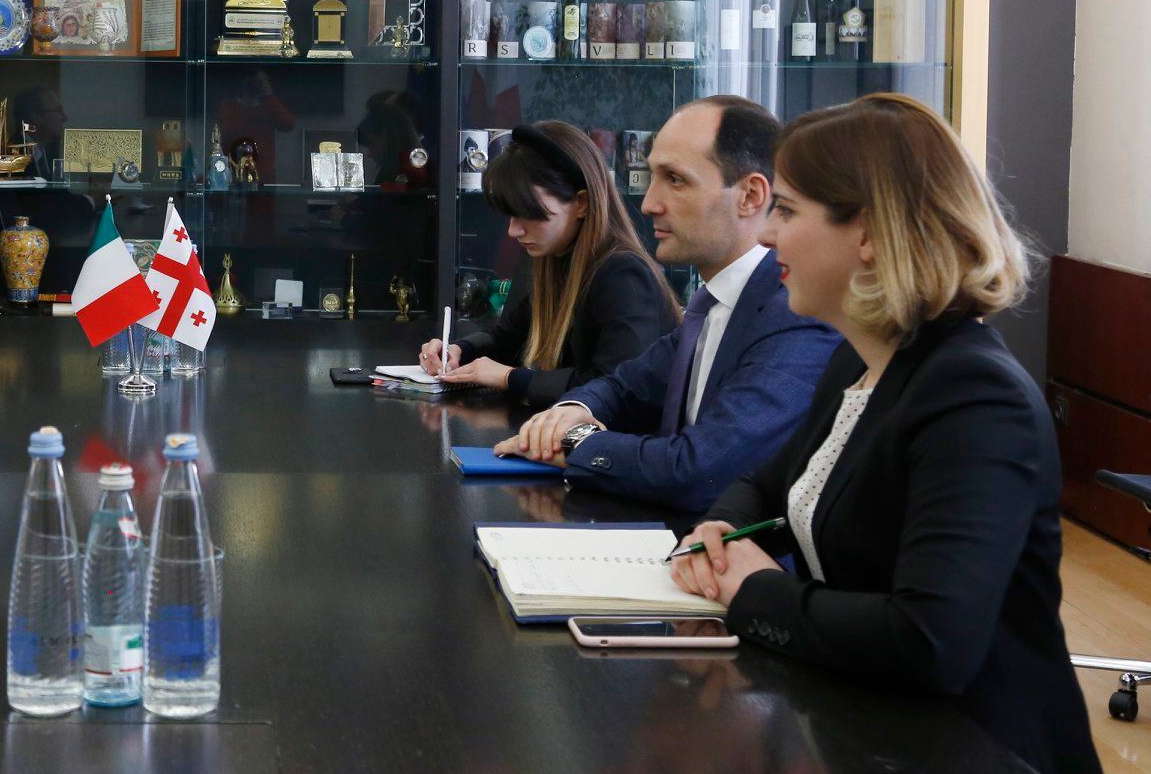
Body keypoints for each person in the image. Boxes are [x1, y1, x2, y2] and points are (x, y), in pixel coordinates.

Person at [669, 93, 1099, 774]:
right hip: (868, 727)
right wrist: (719, 530)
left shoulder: (974, 397)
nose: (767, 235)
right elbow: (770, 484)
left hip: (976, 749)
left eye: (787, 211)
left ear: (868, 233)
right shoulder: (858, 359)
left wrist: (755, 593)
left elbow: (931, 641)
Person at [497, 97, 842, 512]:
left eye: (675, 180)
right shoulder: (714, 305)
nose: (648, 203)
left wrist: (575, 441)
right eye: (652, 177)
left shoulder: (793, 312)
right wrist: (574, 408)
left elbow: (697, 470)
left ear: (750, 195)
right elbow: (624, 386)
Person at [420, 122, 679, 407]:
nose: (513, 231)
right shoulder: (557, 260)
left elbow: (618, 387)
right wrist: (459, 350)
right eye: (510, 214)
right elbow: (510, 337)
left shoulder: (622, 275)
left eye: (529, 214)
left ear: (581, 203)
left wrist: (510, 378)